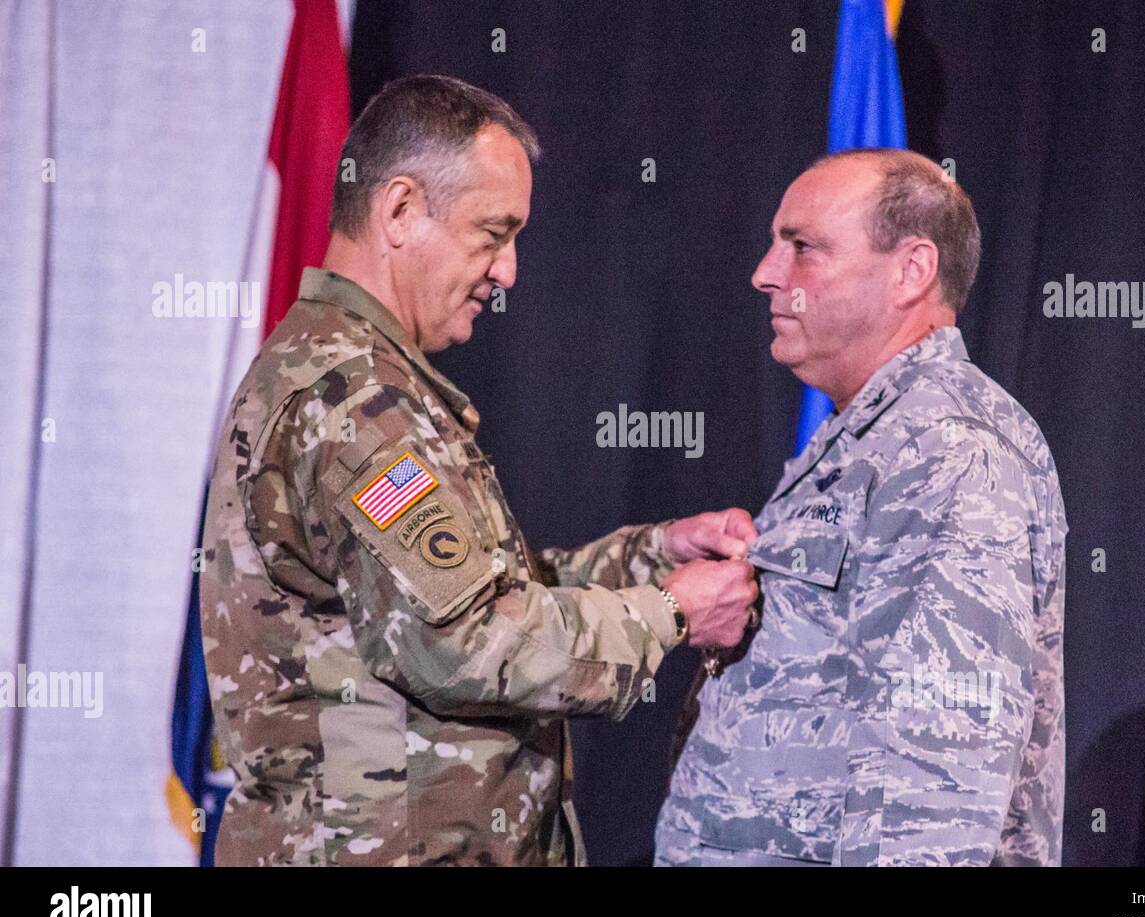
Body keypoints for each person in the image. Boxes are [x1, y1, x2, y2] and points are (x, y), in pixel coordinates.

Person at [200, 74, 758, 866]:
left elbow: (471, 597)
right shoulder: (353, 399)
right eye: (492, 233)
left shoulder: (355, 374)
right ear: (399, 211)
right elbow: (466, 641)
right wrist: (671, 614)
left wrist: (651, 555)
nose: (509, 273)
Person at [655, 148, 1068, 866]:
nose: (766, 273)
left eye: (803, 248)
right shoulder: (871, 434)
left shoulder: (946, 450)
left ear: (911, 270)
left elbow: (936, 789)